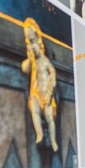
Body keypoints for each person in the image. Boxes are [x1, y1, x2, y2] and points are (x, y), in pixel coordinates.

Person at [21, 17, 58, 152]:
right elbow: (25, 68)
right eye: (27, 43)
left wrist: (50, 92)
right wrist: (30, 60)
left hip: (46, 96)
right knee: (34, 108)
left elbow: (52, 74)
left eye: (32, 42)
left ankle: (53, 140)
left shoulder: (45, 61)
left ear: (39, 40)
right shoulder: (33, 62)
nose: (30, 46)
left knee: (49, 118)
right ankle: (40, 133)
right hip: (36, 93)